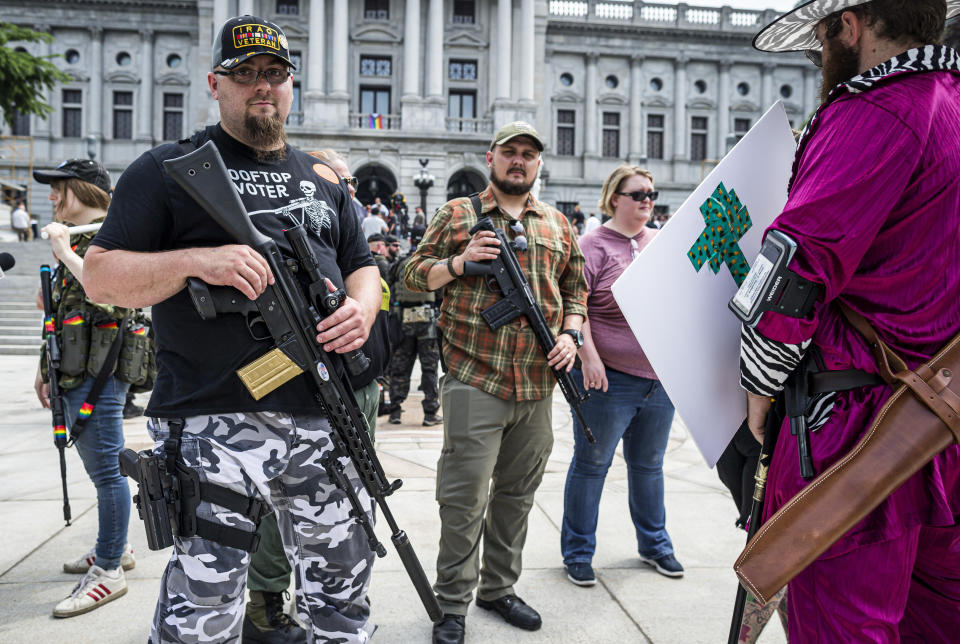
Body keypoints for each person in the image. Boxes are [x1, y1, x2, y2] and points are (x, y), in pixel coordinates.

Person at [83, 15, 382, 643]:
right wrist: (199, 260)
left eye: (273, 74)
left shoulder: (322, 179)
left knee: (342, 592)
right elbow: (101, 277)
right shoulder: (169, 167)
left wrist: (363, 306)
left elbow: (363, 266)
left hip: (325, 417)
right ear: (215, 84)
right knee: (205, 606)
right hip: (211, 422)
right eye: (244, 74)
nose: (261, 86)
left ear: (291, 85)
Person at [741, 1, 960, 641]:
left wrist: (758, 388)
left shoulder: (874, 108)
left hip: (856, 438)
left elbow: (793, 268)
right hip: (940, 424)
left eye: (821, 35)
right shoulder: (950, 102)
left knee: (844, 628)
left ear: (851, 25)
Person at [404, 121, 587, 644]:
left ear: (537, 164)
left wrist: (572, 335)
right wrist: (460, 263)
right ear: (491, 157)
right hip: (474, 379)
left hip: (537, 386)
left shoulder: (557, 223)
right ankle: (454, 603)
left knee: (516, 495)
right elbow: (411, 276)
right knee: (463, 499)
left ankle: (498, 589)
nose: (519, 161)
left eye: (529, 154)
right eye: (510, 152)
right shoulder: (458, 214)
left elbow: (576, 288)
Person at [241, 148, 392, 644]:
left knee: (344, 509)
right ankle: (265, 603)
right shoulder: (285, 237)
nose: (345, 196)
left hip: (358, 385)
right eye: (335, 185)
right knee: (278, 506)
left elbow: (374, 295)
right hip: (297, 392)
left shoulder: (347, 242)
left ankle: (328, 606)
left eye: (347, 186)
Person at [560, 165, 683, 588]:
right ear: (616, 198)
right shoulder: (592, 245)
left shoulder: (660, 241)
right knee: (592, 465)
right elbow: (575, 305)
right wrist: (588, 357)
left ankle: (655, 545)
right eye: (638, 193)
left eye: (651, 193)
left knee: (649, 466)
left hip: (658, 379)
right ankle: (578, 553)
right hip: (607, 380)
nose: (648, 200)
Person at [31, 159, 138, 617]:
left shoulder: (110, 240)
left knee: (108, 475)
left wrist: (67, 254)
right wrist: (42, 372)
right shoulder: (77, 239)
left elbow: (112, 297)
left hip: (99, 376)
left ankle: (110, 570)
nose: (52, 197)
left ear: (82, 191)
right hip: (73, 371)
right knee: (101, 472)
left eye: (59, 189)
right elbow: (58, 312)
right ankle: (115, 547)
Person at [384, 230, 442, 427]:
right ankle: (430, 413)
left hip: (403, 322)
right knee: (429, 369)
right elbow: (442, 293)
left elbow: (388, 284)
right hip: (427, 323)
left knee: (400, 367)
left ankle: (395, 410)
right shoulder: (434, 265)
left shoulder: (400, 264)